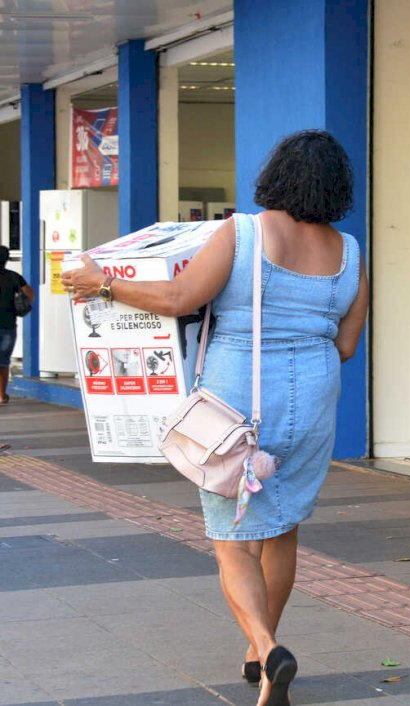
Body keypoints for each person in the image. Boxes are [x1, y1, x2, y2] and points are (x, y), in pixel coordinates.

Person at [62, 130, 369, 706]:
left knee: (231, 539)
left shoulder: (244, 231)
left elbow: (181, 297)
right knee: (281, 527)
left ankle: (267, 645)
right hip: (316, 399)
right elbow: (347, 344)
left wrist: (103, 284)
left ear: (275, 175)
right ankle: (260, 657)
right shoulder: (349, 252)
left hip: (239, 400)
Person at [0, 246, 34, 405]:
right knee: (3, 362)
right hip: (8, 325)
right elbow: (30, 293)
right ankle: (1, 395)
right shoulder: (13, 277)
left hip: (7, 326)